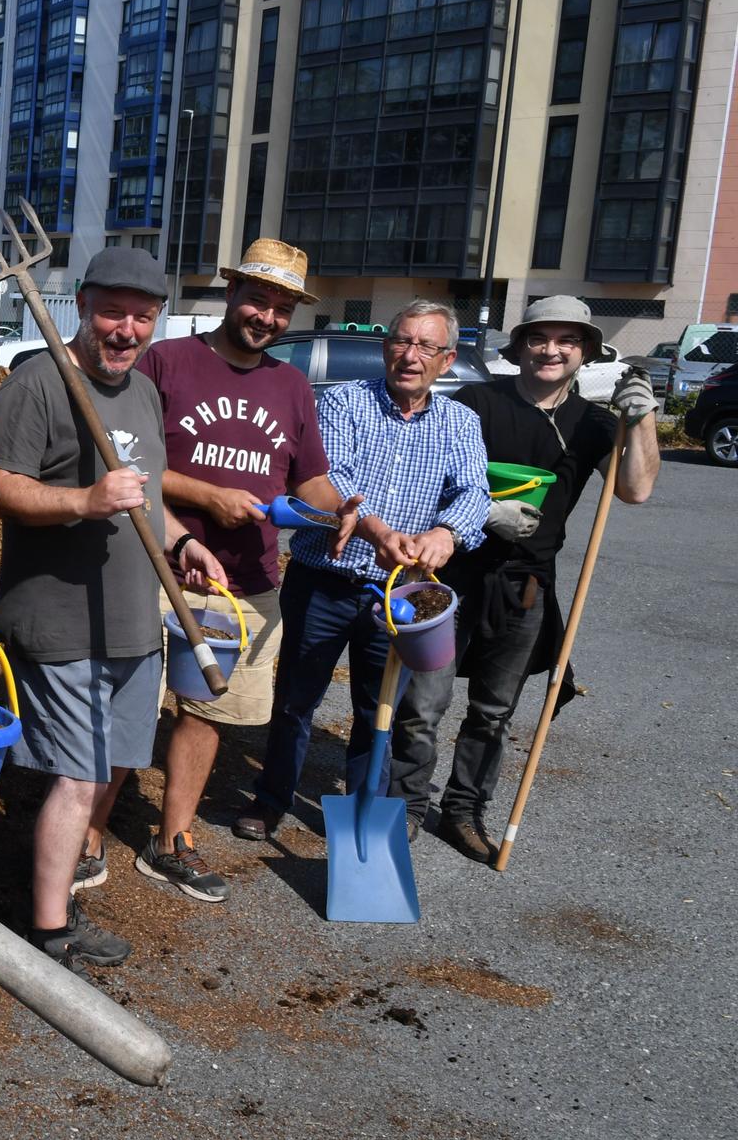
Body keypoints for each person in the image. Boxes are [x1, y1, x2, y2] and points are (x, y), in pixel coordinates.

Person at [0, 247, 224, 971]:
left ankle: (55, 898)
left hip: (131, 622)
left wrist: (181, 540)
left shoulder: (143, 393)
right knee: (82, 776)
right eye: (113, 312)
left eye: (142, 316)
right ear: (83, 306)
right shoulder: (37, 383)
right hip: (59, 622)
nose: (126, 329)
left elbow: (146, 494)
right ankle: (49, 929)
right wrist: (83, 502)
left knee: (103, 766)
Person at [390, 296, 660, 860]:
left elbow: (635, 489)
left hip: (528, 587)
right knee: (422, 705)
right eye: (540, 338)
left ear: (584, 352)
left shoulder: (593, 424)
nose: (551, 350)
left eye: (567, 340)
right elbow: (429, 476)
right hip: (451, 575)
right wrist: (480, 512)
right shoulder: (475, 403)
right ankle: (407, 806)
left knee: (493, 713)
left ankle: (463, 811)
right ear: (520, 346)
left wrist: (642, 420)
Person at [132, 240, 359, 902]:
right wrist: (206, 496)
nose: (267, 315)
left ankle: (173, 839)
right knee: (130, 704)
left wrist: (343, 508)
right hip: (155, 563)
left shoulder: (289, 384)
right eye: (259, 297)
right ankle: (88, 831)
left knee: (206, 710)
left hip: (244, 582)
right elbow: (133, 462)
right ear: (231, 291)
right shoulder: (167, 361)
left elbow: (309, 478)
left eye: (282, 306)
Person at [237, 300, 490, 844]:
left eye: (426, 346)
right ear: (385, 346)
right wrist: (380, 531)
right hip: (324, 579)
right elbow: (334, 474)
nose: (410, 355)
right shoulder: (344, 403)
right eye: (402, 341)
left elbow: (473, 491)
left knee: (376, 711)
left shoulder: (461, 422)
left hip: (395, 594)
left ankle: (358, 818)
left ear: (446, 361)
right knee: (296, 700)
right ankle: (272, 799)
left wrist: (446, 533)